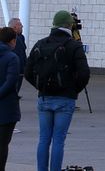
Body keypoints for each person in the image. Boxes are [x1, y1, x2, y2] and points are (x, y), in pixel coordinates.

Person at [25, 10, 90, 171]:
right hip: (65, 98)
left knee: (44, 139)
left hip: (44, 97)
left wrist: (40, 86)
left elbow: (27, 72)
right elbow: (84, 73)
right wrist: (74, 89)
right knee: (59, 140)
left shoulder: (40, 43)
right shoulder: (74, 46)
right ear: (70, 25)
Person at [0, 27, 21, 170]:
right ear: (12, 41)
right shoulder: (12, 57)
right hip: (7, 109)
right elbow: (11, 81)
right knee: (2, 146)